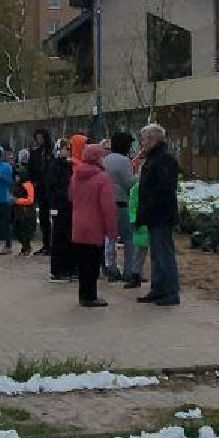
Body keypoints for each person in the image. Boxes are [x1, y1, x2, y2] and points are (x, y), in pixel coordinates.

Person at [135, 123, 181, 307]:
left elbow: (163, 188)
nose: (142, 143)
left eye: (144, 139)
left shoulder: (163, 159)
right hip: (154, 214)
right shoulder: (153, 158)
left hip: (161, 213)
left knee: (164, 253)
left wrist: (148, 206)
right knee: (156, 254)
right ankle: (158, 288)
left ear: (152, 139)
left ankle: (170, 291)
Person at [69, 141, 118, 308]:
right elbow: (108, 207)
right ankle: (91, 296)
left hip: (78, 225)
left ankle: (83, 295)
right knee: (93, 263)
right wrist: (112, 230)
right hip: (94, 226)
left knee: (82, 263)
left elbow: (71, 197)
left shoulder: (75, 175)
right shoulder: (102, 178)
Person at [102, 130, 140, 284]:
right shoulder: (124, 161)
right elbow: (129, 183)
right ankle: (129, 270)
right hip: (121, 203)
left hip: (107, 203)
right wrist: (138, 177)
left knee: (110, 237)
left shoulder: (105, 160)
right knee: (128, 238)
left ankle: (111, 269)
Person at [48, 135, 83, 283]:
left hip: (69, 206)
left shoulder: (69, 165)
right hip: (60, 206)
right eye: (65, 148)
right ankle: (58, 270)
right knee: (59, 238)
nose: (67, 151)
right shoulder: (55, 166)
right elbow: (52, 187)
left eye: (69, 148)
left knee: (69, 237)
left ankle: (70, 268)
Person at [30, 129, 55, 256]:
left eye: (41, 138)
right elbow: (31, 170)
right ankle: (46, 244)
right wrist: (34, 182)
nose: (39, 141)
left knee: (54, 217)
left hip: (52, 189)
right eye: (37, 138)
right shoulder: (35, 153)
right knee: (44, 218)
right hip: (40, 188)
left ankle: (53, 244)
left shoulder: (52, 152)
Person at [13, 166, 38, 256]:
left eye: (18, 175)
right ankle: (25, 247)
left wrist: (17, 200)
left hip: (27, 212)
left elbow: (30, 200)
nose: (16, 177)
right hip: (19, 212)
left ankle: (26, 247)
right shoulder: (17, 185)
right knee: (17, 230)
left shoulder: (28, 185)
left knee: (25, 231)